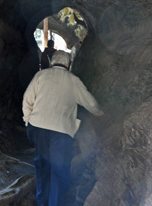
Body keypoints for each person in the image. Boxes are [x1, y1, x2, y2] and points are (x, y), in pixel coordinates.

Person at [22, 50, 104, 206]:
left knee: (43, 167)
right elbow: (90, 102)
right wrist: (99, 112)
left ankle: (42, 202)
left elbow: (27, 100)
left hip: (38, 128)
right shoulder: (73, 80)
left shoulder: (41, 76)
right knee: (59, 171)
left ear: (52, 62)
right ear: (68, 64)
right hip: (61, 131)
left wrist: (28, 121)